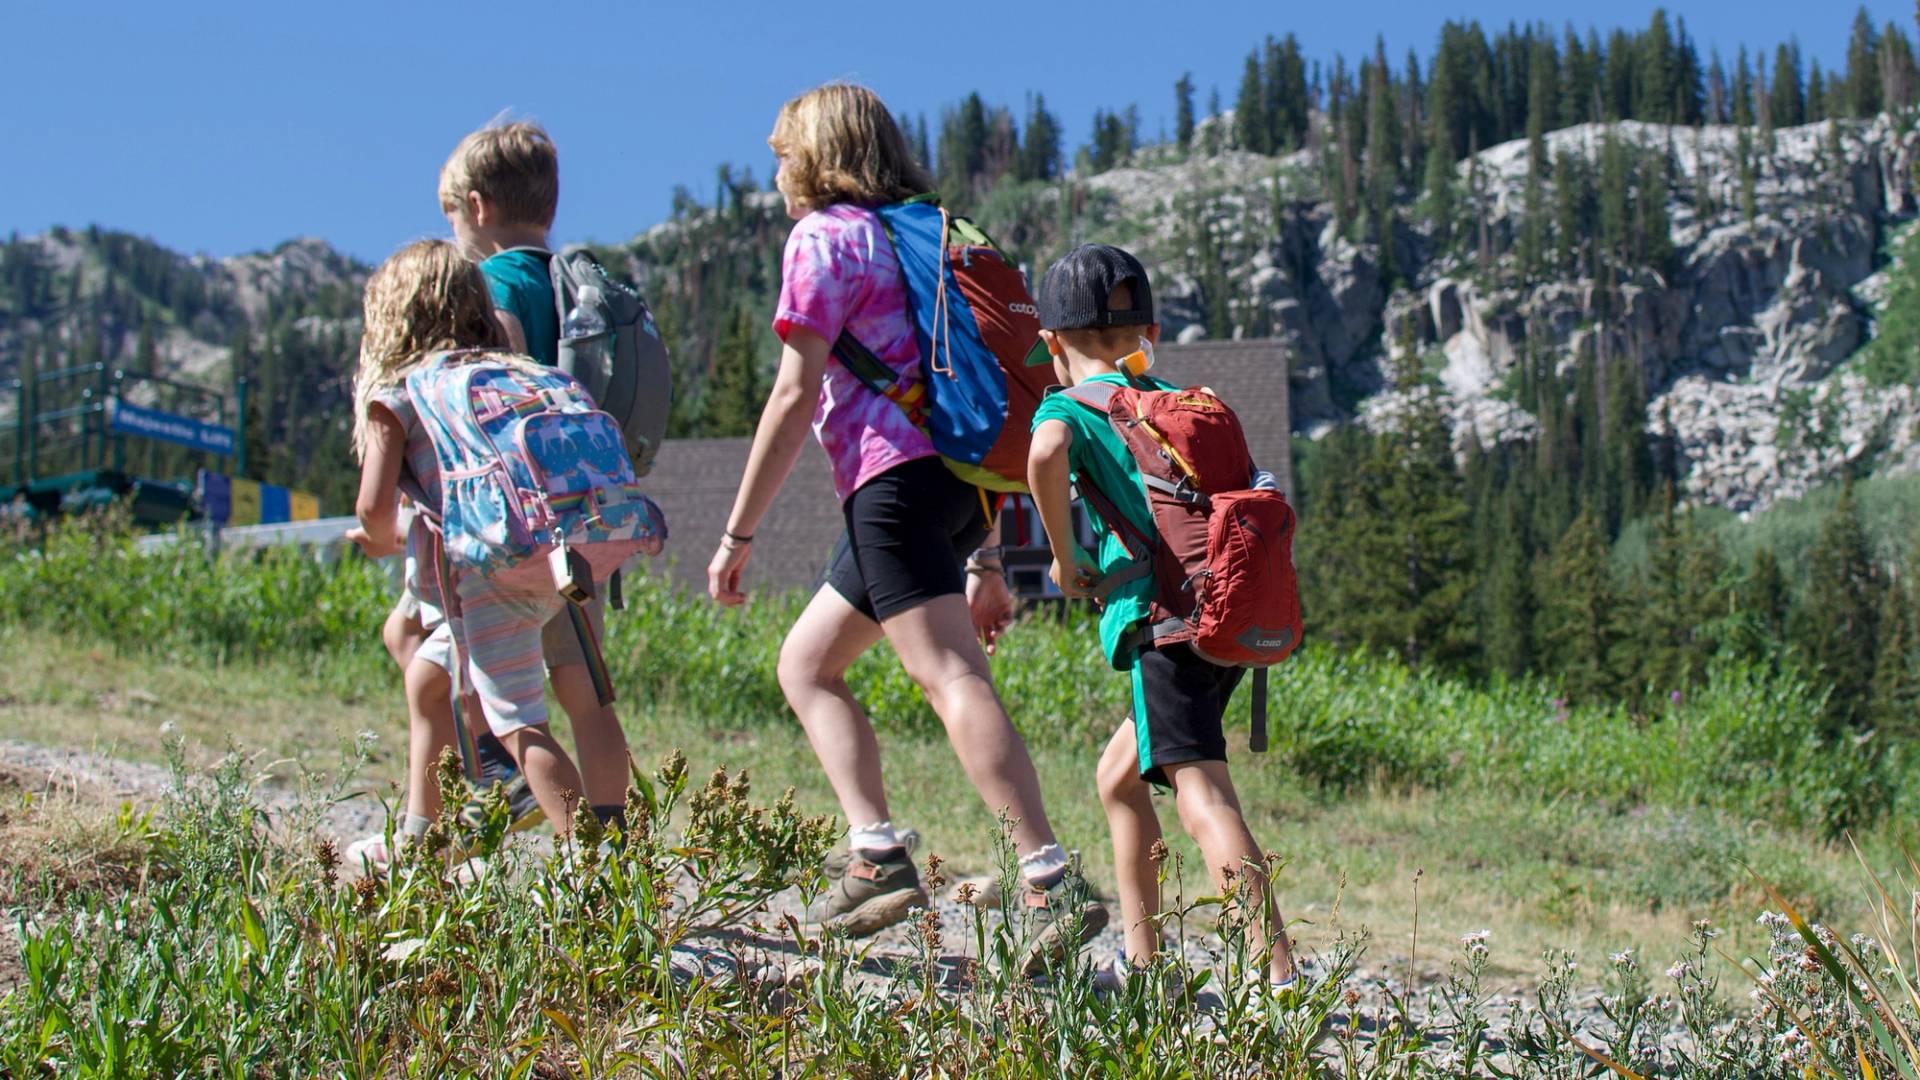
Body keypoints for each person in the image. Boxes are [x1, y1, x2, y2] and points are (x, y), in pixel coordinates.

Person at [705, 82, 1104, 969]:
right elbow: (976, 399)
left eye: (782, 154)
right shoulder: (933, 232)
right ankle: (878, 854)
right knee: (806, 665)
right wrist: (988, 553)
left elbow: (792, 390)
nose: (775, 173)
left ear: (815, 155)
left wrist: (737, 535)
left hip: (889, 485)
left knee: (950, 673)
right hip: (954, 487)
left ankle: (1048, 876)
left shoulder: (826, 238)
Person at [1024, 244, 1301, 994]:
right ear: (1148, 332)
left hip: (1167, 624)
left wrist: (1060, 554)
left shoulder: (1068, 406)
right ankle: (1145, 965)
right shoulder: (1181, 400)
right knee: (1118, 778)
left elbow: (1046, 451)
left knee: (1201, 793)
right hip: (1226, 622)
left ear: (1052, 343)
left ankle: (1278, 977)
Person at [346, 240, 633, 860]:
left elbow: (374, 512)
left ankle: (600, 870)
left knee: (517, 721)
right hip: (554, 555)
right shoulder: (522, 371)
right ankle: (422, 841)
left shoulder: (400, 393)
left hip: (490, 577)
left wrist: (373, 539)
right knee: (427, 677)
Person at [440, 118, 626, 820]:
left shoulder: (488, 281)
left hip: (520, 519)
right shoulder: (574, 283)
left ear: (478, 207)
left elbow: (493, 373)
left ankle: (510, 791)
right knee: (587, 691)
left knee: (498, 687)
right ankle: (614, 847)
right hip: (589, 515)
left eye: (454, 215)